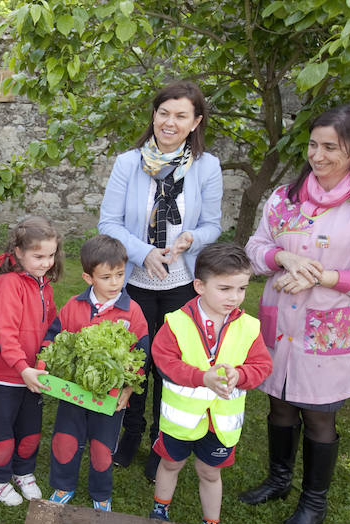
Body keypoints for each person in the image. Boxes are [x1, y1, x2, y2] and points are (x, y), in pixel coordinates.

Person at [241, 103, 350, 524]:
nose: (318, 155)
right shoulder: (285, 197)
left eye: (331, 147)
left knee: (318, 414)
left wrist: (323, 276)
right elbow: (255, 249)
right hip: (280, 322)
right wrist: (284, 257)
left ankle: (313, 502)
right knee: (279, 403)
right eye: (313, 145)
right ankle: (278, 480)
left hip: (328, 328)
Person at [98, 81, 223, 482]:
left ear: (195, 122)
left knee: (170, 365)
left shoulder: (207, 167)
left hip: (182, 282)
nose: (170, 122)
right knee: (135, 360)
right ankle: (130, 433)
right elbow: (109, 223)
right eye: (164, 113)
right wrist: (143, 253)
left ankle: (161, 440)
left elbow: (212, 225)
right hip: (133, 280)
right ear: (153, 116)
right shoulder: (127, 163)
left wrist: (191, 239)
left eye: (180, 116)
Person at [148, 242, 272, 524]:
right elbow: (164, 361)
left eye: (241, 289)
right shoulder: (176, 322)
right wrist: (201, 377)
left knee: (210, 472)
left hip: (221, 424)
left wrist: (240, 375)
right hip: (180, 420)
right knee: (170, 464)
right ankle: (160, 510)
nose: (234, 297)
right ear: (200, 286)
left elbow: (262, 366)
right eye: (225, 288)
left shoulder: (249, 327)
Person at [45, 235, 150, 511]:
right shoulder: (73, 306)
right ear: (88, 278)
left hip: (109, 397)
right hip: (72, 393)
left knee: (103, 449)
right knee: (66, 441)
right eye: (106, 277)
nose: (115, 283)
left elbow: (142, 354)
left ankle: (101, 493)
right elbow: (53, 339)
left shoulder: (133, 312)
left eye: (120, 275)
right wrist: (44, 367)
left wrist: (128, 388)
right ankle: (63, 485)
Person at [0, 216, 62, 506]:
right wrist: (21, 368)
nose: (46, 263)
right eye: (39, 257)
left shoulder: (44, 284)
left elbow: (51, 325)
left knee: (30, 431)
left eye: (51, 256)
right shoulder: (8, 284)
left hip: (33, 375)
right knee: (1, 432)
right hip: (6, 377)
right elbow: (6, 334)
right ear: (18, 252)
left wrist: (46, 357)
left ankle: (22, 471)